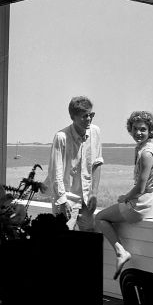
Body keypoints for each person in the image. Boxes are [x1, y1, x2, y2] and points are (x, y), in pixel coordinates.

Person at [95, 111, 153, 280]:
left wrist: (125, 197)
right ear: (130, 129)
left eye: (143, 129)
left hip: (143, 204)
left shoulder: (146, 154)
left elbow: (140, 188)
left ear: (150, 131)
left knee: (99, 218)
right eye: (135, 129)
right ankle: (121, 252)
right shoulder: (146, 148)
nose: (138, 133)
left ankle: (121, 252)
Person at [45, 96, 103, 231]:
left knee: (88, 237)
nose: (89, 119)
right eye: (84, 116)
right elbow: (55, 173)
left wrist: (94, 192)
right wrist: (62, 200)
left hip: (87, 198)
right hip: (66, 197)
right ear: (73, 117)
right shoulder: (61, 137)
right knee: (65, 239)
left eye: (91, 115)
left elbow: (97, 163)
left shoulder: (95, 131)